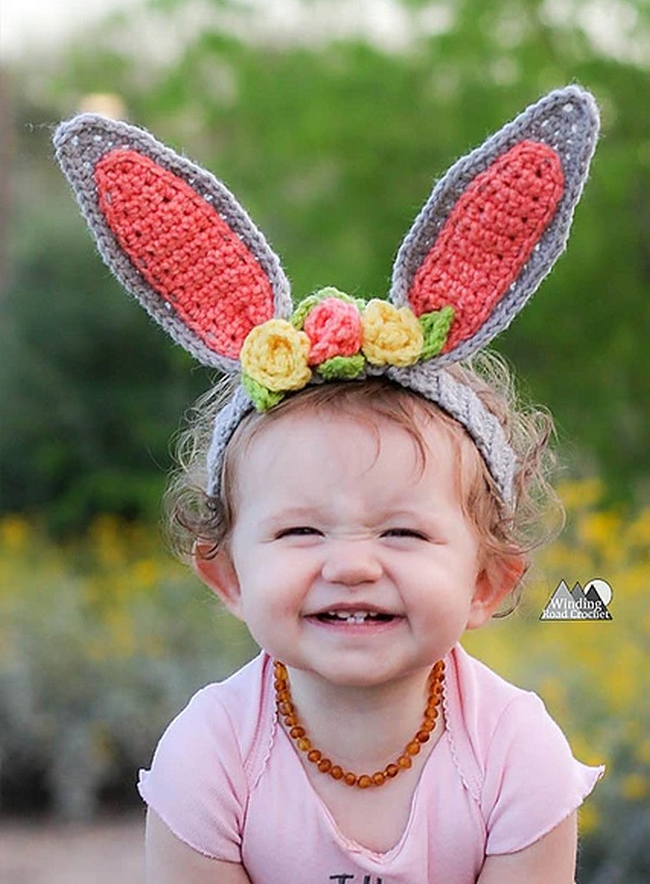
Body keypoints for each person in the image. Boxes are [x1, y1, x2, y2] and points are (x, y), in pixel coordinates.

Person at [55, 85, 604, 883]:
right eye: (300, 531)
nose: (351, 565)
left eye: (404, 532)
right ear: (228, 573)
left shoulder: (517, 756)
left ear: (487, 581)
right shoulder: (209, 757)